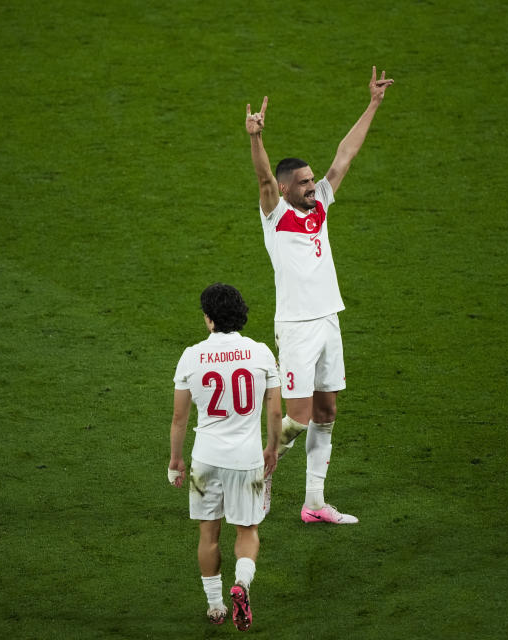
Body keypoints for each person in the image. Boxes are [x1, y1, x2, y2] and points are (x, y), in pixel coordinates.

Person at [245, 66, 394, 525]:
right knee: (297, 422)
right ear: (288, 189)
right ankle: (260, 474)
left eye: (314, 181)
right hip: (296, 327)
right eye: (305, 183)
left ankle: (313, 502)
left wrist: (372, 104)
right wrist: (255, 138)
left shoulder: (321, 206)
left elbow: (344, 155)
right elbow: (266, 179)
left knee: (327, 411)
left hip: (329, 319)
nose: (314, 186)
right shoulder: (276, 215)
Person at [168, 283, 282, 630]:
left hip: (205, 459)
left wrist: (176, 460)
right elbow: (275, 413)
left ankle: (216, 606)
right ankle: (242, 584)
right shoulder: (261, 353)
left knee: (209, 534)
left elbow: (179, 418)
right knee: (247, 531)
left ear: (209, 319)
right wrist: (272, 448)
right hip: (246, 459)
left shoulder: (191, 356)